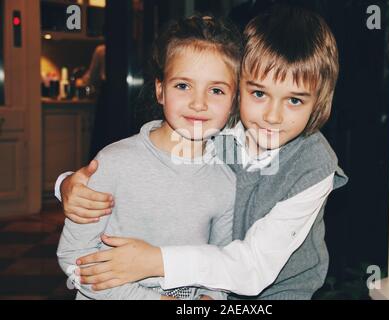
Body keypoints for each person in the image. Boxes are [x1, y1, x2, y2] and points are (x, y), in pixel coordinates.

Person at [57, 6, 348, 299]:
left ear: (319, 102)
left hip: (278, 292)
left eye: (295, 100)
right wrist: (66, 185)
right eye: (259, 93)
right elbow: (145, 160)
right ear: (240, 91)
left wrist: (156, 261)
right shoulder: (220, 134)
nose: (272, 116)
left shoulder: (313, 164)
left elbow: (253, 268)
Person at [56, 15, 243, 300]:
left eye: (216, 90)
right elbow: (73, 256)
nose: (198, 102)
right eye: (183, 86)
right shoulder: (114, 162)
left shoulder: (226, 181)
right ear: (160, 90)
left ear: (233, 102)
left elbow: (220, 267)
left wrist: (211, 298)